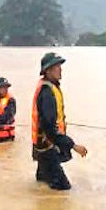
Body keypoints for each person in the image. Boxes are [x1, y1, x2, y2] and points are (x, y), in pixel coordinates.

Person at [32, 52, 87, 190]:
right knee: (63, 191)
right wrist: (73, 145)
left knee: (42, 184)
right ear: (48, 70)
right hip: (47, 147)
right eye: (57, 66)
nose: (60, 69)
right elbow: (49, 128)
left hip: (43, 146)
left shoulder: (50, 87)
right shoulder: (47, 93)